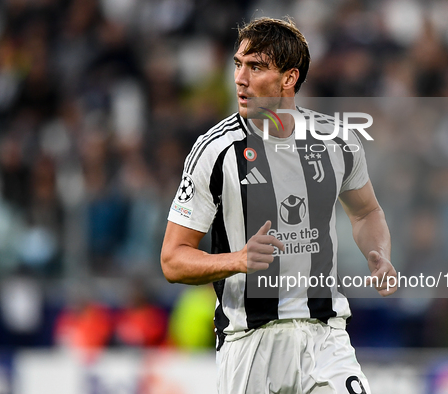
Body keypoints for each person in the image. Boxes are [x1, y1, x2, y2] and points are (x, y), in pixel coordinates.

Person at [161, 17, 397, 394]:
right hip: (249, 343)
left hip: (325, 336)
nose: (240, 78)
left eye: (255, 67)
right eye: (238, 64)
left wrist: (377, 252)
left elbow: (366, 211)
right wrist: (237, 259)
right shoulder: (215, 152)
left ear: (289, 78)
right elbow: (172, 260)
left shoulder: (336, 142)